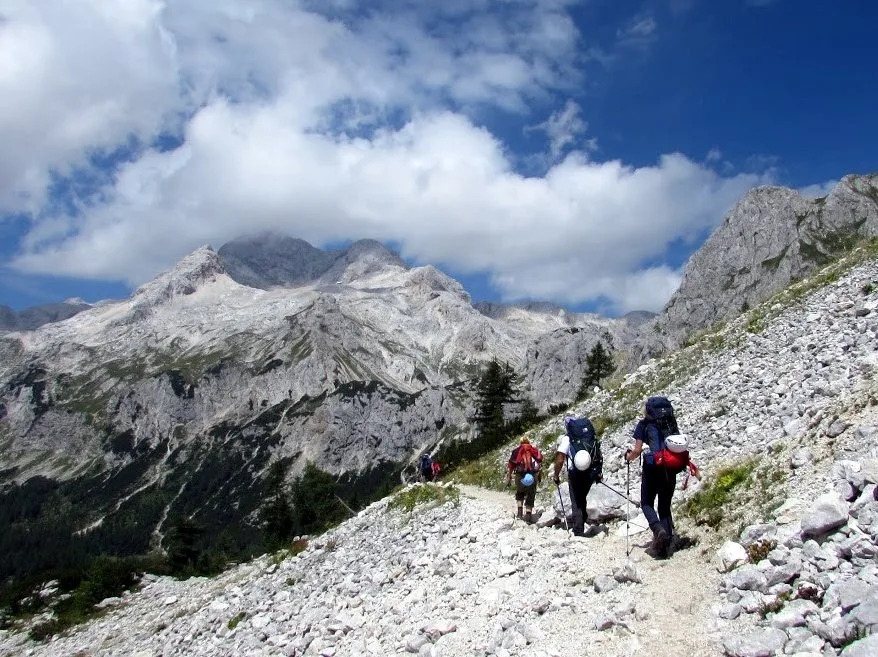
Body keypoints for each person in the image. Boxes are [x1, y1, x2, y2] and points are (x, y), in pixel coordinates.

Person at [625, 398, 700, 557]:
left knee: (646, 502)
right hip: (670, 467)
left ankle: (657, 529)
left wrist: (628, 457)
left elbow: (637, 451)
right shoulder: (670, 422)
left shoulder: (644, 424)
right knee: (664, 507)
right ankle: (665, 548)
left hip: (653, 467)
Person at [553, 417, 603, 537]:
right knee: (582, 497)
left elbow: (560, 459)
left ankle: (578, 530)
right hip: (591, 472)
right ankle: (583, 519)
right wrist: (598, 473)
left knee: (576, 501)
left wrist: (556, 475)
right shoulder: (589, 437)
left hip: (575, 473)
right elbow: (597, 454)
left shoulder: (567, 439)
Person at [506, 437, 543, 523]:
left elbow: (511, 465)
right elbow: (540, 460)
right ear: (528, 442)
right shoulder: (534, 450)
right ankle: (528, 517)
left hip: (520, 475)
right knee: (531, 493)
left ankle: (519, 514)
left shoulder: (516, 451)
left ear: (520, 442)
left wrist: (509, 476)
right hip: (532, 475)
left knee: (520, 492)